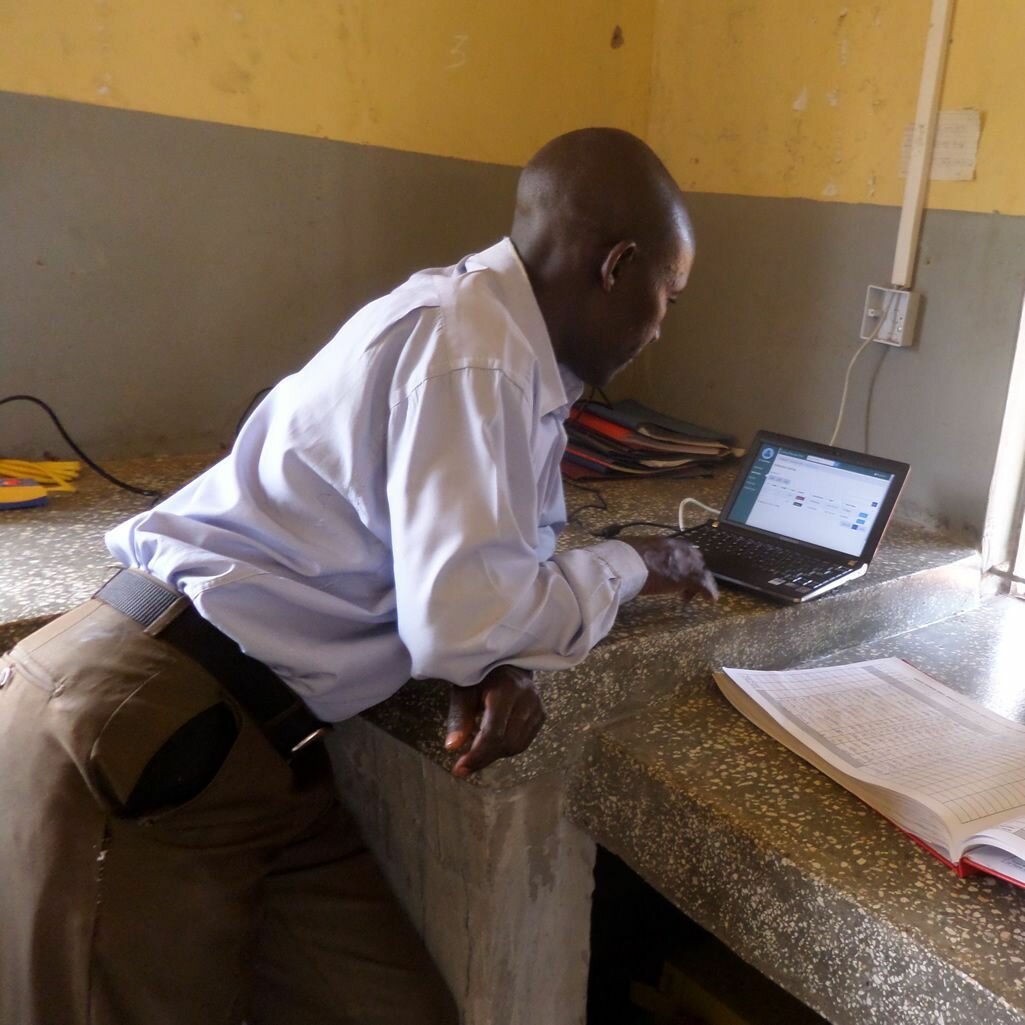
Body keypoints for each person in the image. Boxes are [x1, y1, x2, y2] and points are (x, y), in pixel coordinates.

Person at [0, 127, 716, 1025]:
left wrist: (502, 656)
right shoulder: (476, 354)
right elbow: (460, 619)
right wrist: (633, 562)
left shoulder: (504, 352)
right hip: (146, 722)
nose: (660, 324)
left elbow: (479, 586)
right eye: (668, 296)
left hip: (258, 751)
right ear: (617, 266)